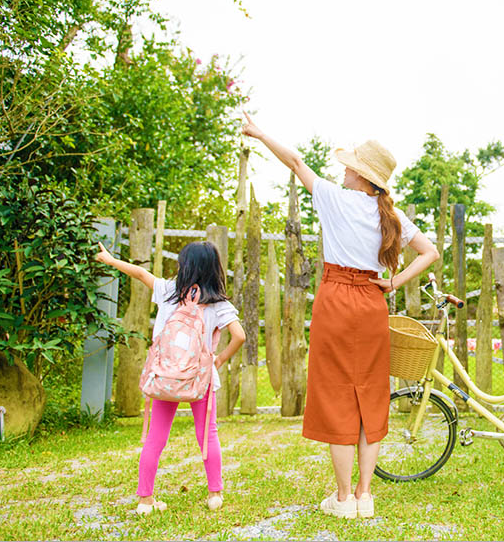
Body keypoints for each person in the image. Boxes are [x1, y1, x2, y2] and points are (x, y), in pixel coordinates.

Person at [242, 112, 438, 519]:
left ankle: (343, 497)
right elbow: (431, 252)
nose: (344, 170)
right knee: (370, 393)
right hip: (370, 302)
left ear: (362, 176)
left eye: (350, 166)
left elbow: (295, 163)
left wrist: (259, 134)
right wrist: (394, 283)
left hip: (335, 300)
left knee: (336, 394)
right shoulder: (391, 216)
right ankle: (366, 497)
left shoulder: (333, 198)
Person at [95, 241, 246, 515]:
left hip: (165, 378)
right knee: (207, 435)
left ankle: (145, 500)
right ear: (214, 269)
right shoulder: (217, 303)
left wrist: (109, 259)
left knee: (156, 437)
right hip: (201, 379)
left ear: (185, 266)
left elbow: (140, 274)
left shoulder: (167, 291)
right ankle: (214, 495)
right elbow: (240, 336)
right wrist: (219, 359)